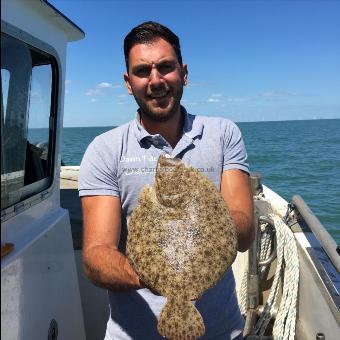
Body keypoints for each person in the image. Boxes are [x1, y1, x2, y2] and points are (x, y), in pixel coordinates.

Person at [79, 21, 254, 340]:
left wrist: (197, 225)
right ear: (128, 82)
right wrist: (156, 274)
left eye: (165, 67)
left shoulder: (223, 133)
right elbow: (95, 255)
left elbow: (243, 232)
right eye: (143, 71)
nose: (156, 80)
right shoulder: (105, 149)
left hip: (221, 331)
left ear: (183, 72)